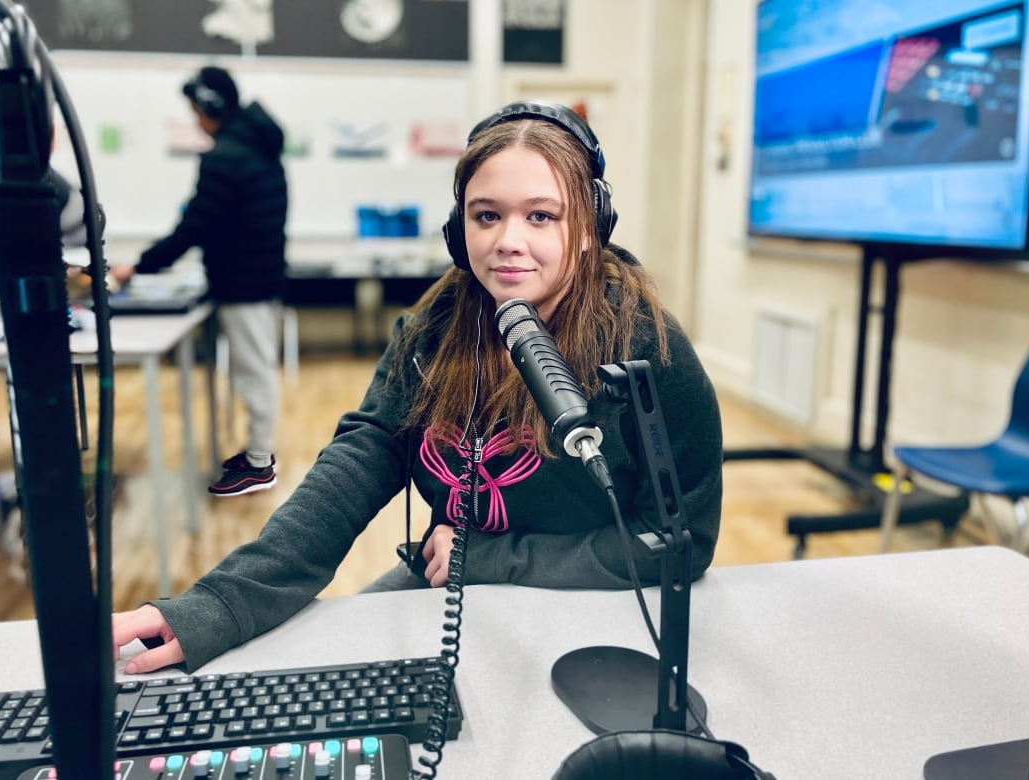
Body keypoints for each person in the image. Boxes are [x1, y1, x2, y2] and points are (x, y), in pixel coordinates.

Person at [112, 101, 723, 674]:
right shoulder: (437, 327)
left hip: (596, 613)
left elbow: (681, 542)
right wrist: (221, 604)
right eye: (488, 215)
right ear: (460, 231)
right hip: (456, 581)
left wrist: (495, 558)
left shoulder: (649, 349)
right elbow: (361, 460)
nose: (508, 239)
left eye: (542, 215)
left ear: (592, 227)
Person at [110, 65, 288, 497]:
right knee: (257, 369)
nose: (195, 120)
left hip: (243, 284)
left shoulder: (227, 156)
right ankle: (257, 455)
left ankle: (261, 464)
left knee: (253, 373)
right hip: (260, 277)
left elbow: (196, 226)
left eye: (196, 110)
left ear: (212, 106)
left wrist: (141, 266)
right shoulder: (257, 148)